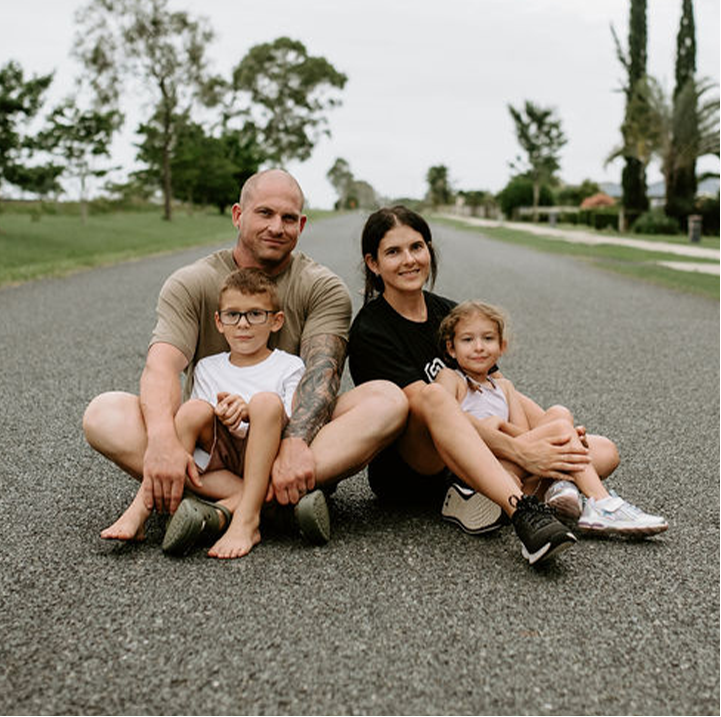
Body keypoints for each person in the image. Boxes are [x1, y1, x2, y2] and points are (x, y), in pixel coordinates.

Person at [84, 170, 407, 545]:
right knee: (103, 413)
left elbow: (323, 376)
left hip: (286, 435)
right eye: (265, 213)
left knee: (388, 400)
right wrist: (161, 442)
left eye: (288, 218)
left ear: (301, 224)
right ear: (238, 215)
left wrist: (295, 443)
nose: (277, 227)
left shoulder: (322, 286)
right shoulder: (193, 282)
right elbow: (162, 367)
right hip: (214, 445)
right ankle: (267, 507)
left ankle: (217, 506)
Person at [348, 206, 618, 566]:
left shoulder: (450, 313)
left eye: (416, 247)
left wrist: (556, 433)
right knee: (432, 395)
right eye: (393, 252)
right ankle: (524, 508)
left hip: (484, 453)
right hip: (415, 468)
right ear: (373, 263)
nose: (409, 260)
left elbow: (499, 388)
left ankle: (481, 494)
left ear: (429, 249)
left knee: (601, 450)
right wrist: (523, 452)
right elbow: (426, 410)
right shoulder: (371, 329)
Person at [101, 268, 314, 558]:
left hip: (268, 456)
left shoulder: (289, 365)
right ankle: (142, 509)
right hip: (220, 463)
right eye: (233, 315)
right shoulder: (208, 366)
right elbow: (199, 426)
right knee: (192, 410)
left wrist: (248, 410)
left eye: (255, 314)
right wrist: (222, 413)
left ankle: (244, 519)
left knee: (266, 402)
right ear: (219, 321)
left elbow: (290, 419)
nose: (243, 324)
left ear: (276, 321)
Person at [435, 300, 668, 537]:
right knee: (559, 426)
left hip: (515, 466)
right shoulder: (451, 378)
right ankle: (601, 502)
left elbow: (523, 434)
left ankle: (560, 490)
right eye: (467, 340)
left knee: (559, 413)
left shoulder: (504, 387)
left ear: (501, 346)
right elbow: (444, 418)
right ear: (451, 348)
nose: (479, 347)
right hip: (479, 467)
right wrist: (506, 428)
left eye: (488, 339)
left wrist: (557, 438)